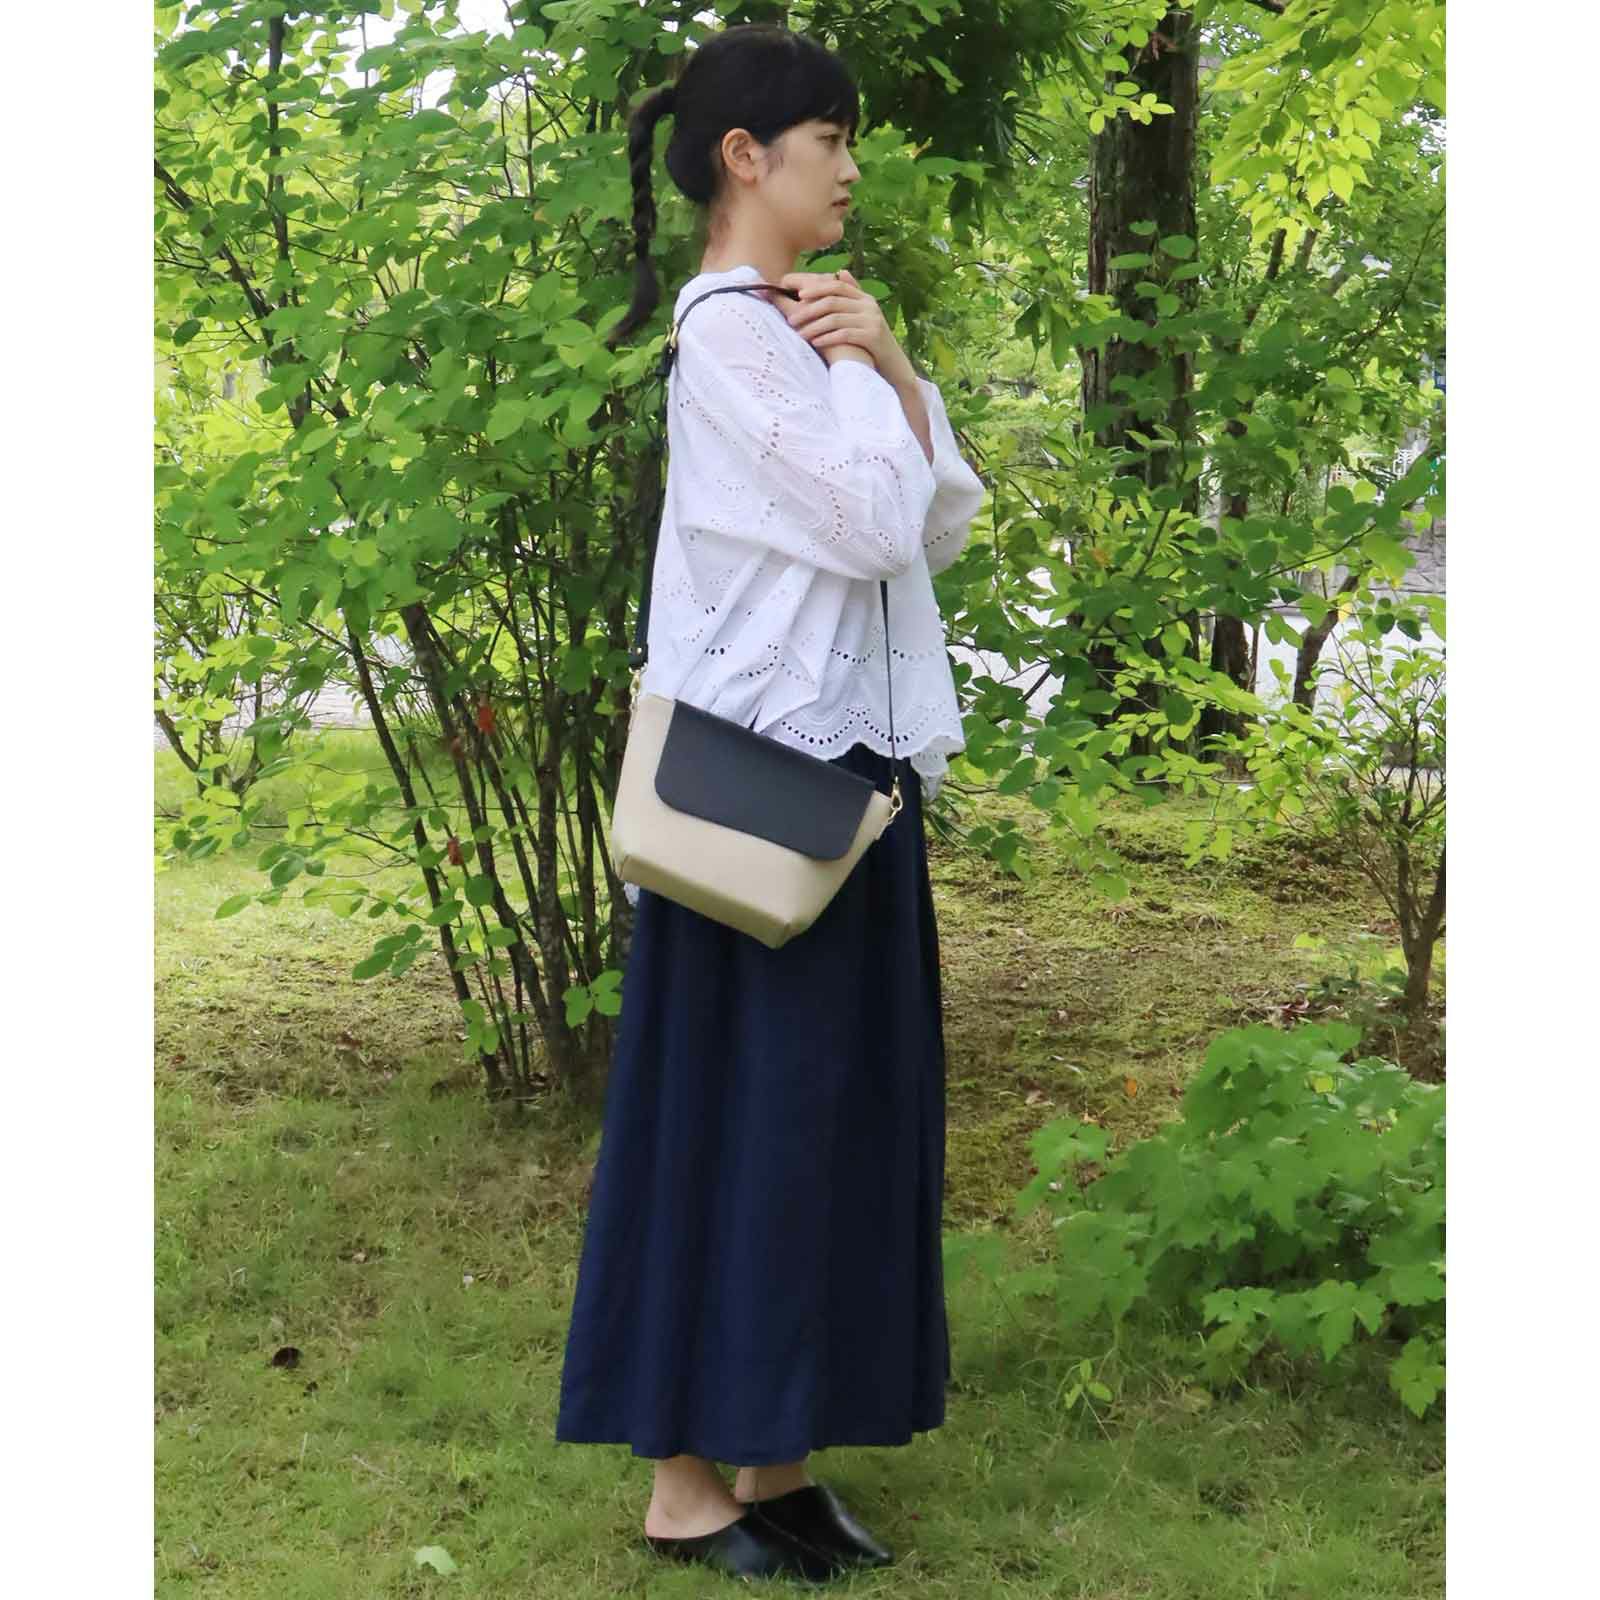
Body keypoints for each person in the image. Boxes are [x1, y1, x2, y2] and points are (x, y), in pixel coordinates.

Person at [554, 21, 987, 1585]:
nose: (853, 167)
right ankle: (686, 1485)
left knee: (825, 1128)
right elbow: (875, 520)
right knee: (734, 1129)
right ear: (748, 158)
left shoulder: (807, 332)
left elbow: (938, 522)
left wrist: (890, 360)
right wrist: (865, 368)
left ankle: (778, 1462)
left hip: (845, 782)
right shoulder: (735, 339)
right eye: (832, 139)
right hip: (759, 791)